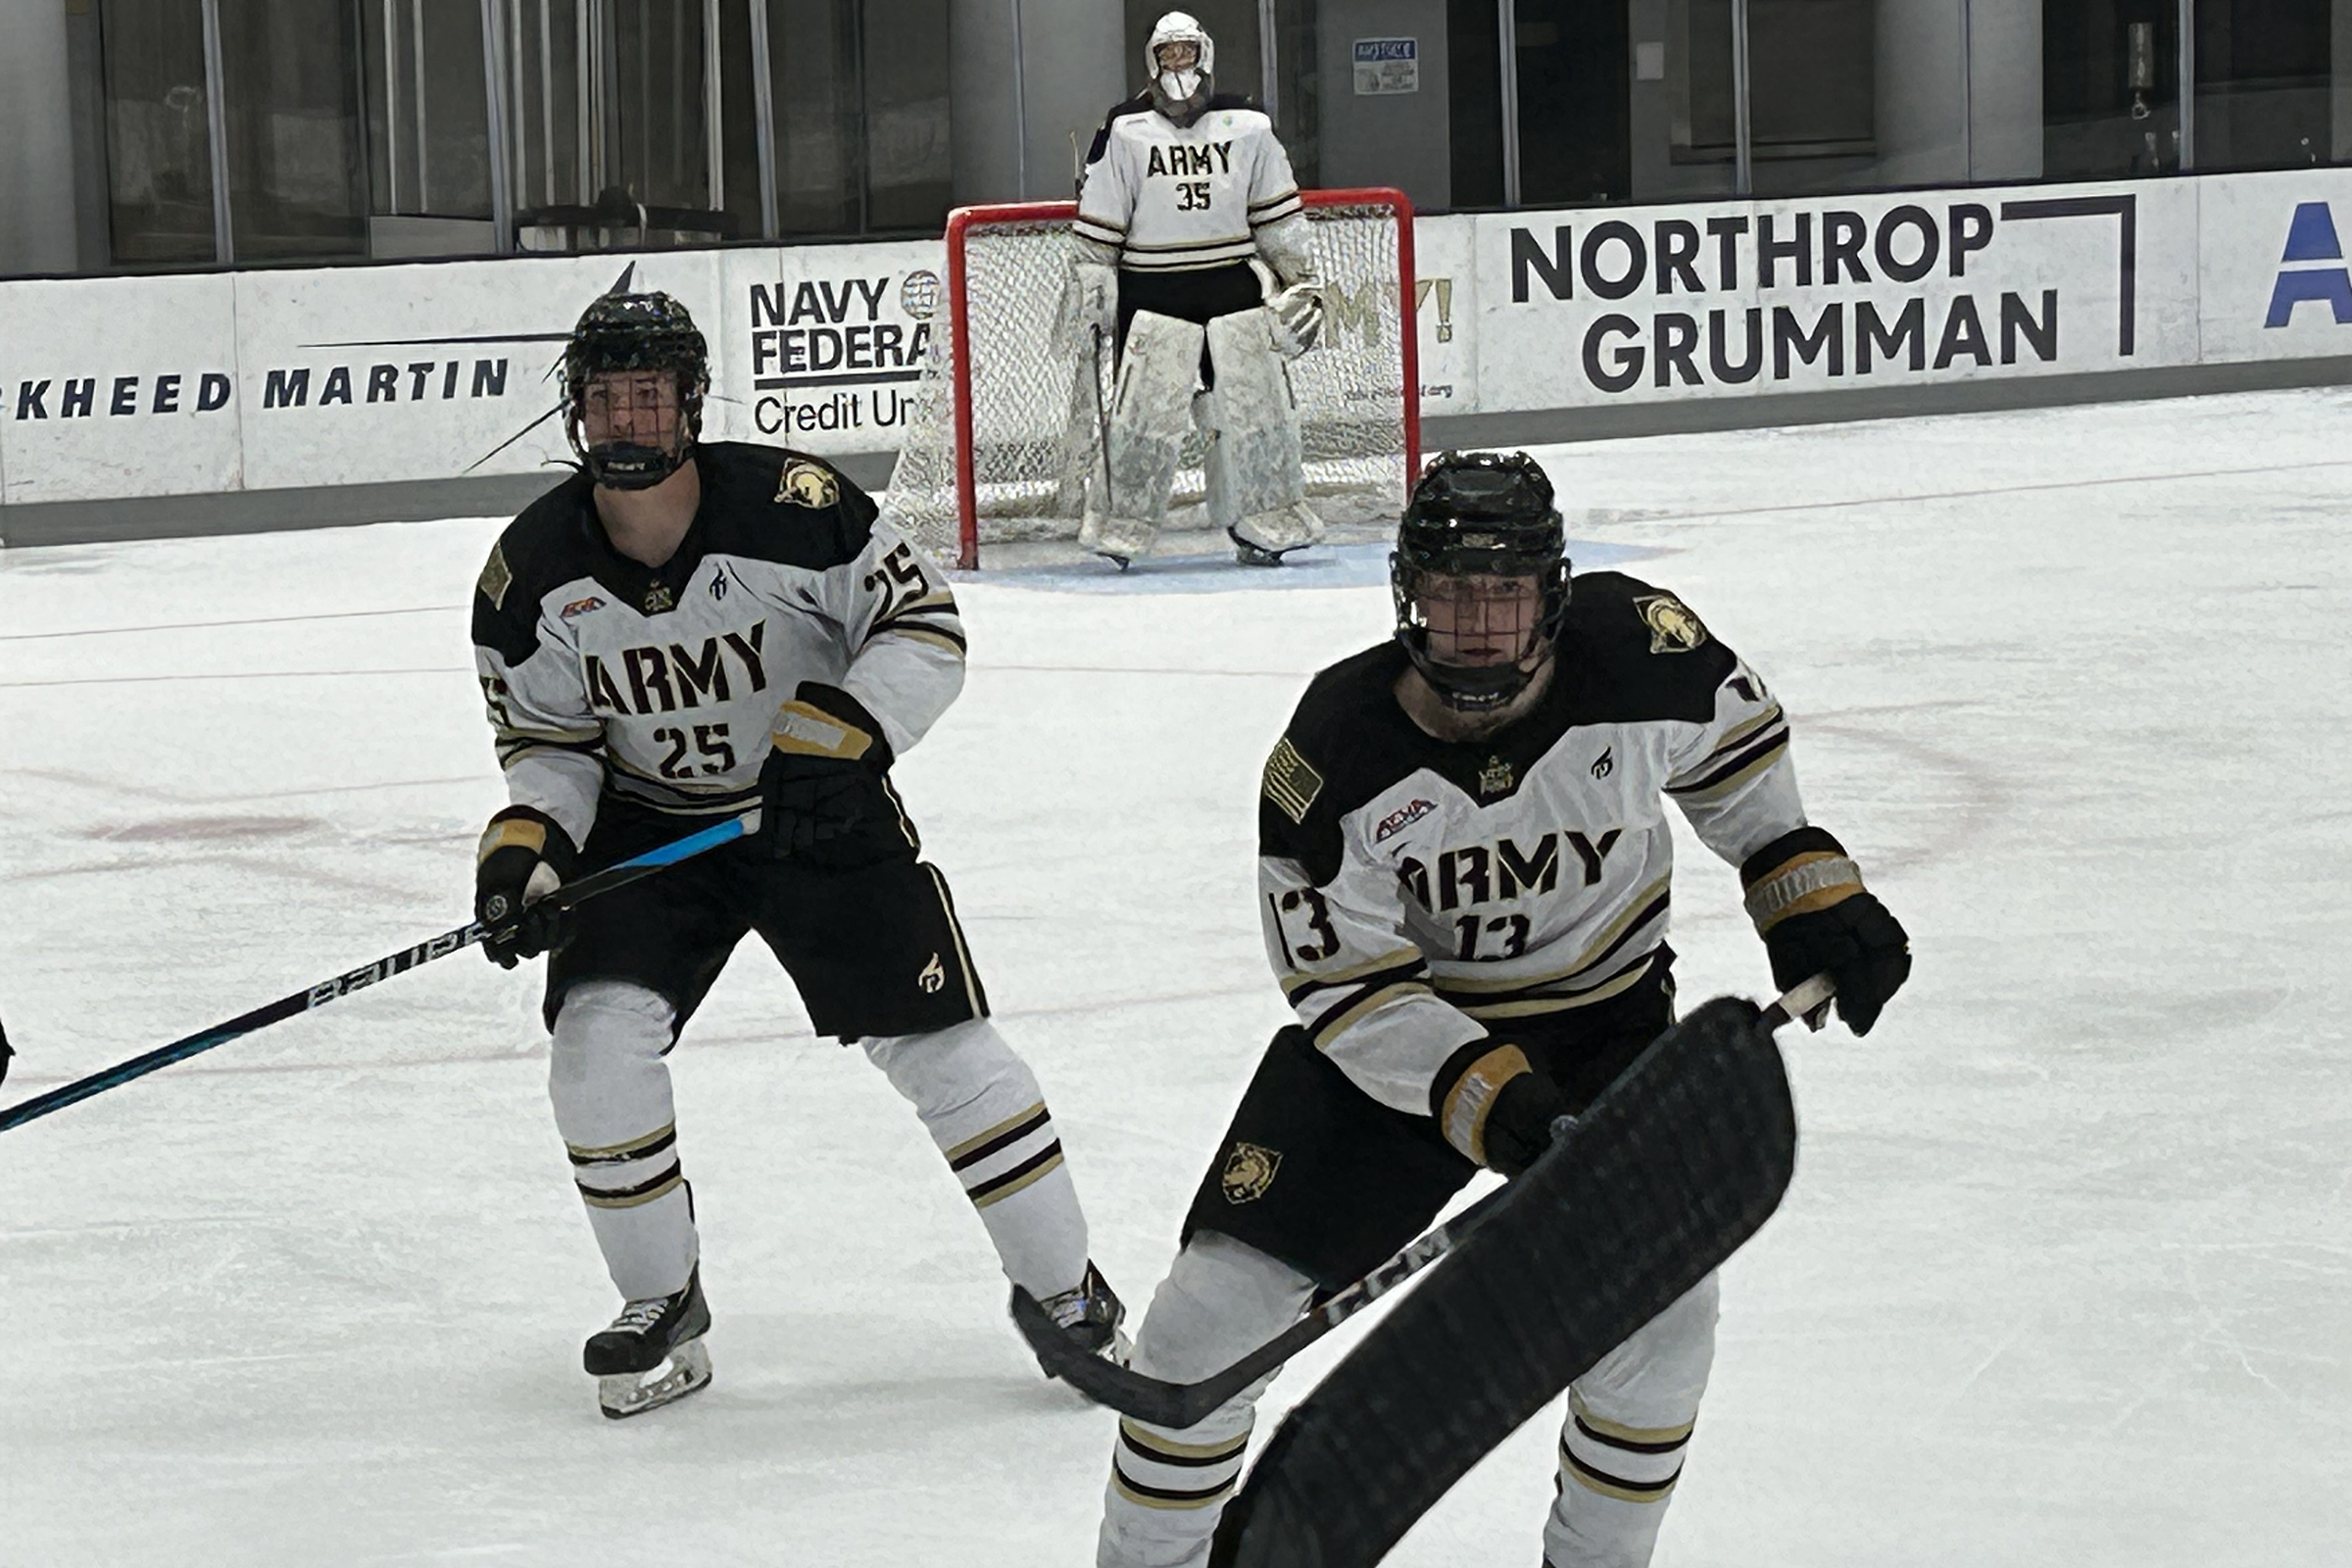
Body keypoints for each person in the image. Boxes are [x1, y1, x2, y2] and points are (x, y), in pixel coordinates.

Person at [1095, 451, 1911, 1565]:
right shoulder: (1334, 749)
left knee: (1665, 1329)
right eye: (1450, 595)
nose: (1479, 625)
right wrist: (1492, 1100)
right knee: (1197, 1332)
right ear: (1405, 600)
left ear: (1555, 596)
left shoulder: (1643, 653)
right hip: (1393, 1056)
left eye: (1506, 595)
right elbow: (1350, 988)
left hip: (1608, 1027)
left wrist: (1807, 894)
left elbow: (1737, 761)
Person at [467, 289, 1123, 1418]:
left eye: (649, 396)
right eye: (605, 399)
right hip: (654, 827)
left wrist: (844, 735)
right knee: (594, 1046)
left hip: (814, 808)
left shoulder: (796, 507)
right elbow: (550, 742)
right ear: (576, 412)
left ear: (690, 404)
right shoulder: (530, 574)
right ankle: (661, 1302)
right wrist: (530, 848)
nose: (627, 420)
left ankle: (1067, 1295)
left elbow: (924, 628)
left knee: (942, 1049)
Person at [1066, 10, 1328, 568]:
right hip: (1150, 287)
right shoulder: (1125, 127)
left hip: (1231, 281)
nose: (1177, 64)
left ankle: (1266, 521)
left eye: (1186, 52)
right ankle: (1122, 526)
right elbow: (1103, 211)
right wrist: (1094, 275)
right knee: (1142, 414)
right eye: (1168, 55)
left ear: (1204, 54)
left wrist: (1300, 278)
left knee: (1251, 409)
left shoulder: (1249, 123)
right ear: (1152, 62)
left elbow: (1277, 214)